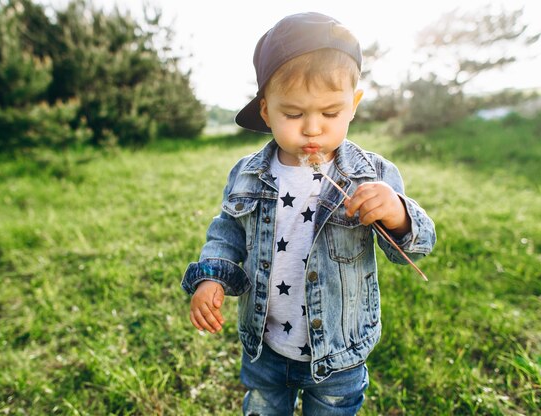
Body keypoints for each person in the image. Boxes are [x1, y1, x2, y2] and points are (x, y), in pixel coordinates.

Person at [182, 12, 436, 415]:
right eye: (294, 115)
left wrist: (398, 213)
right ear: (266, 112)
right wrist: (211, 276)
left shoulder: (371, 176)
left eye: (330, 113)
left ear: (353, 106)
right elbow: (227, 232)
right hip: (266, 345)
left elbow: (415, 246)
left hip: (339, 348)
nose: (313, 128)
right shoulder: (249, 174)